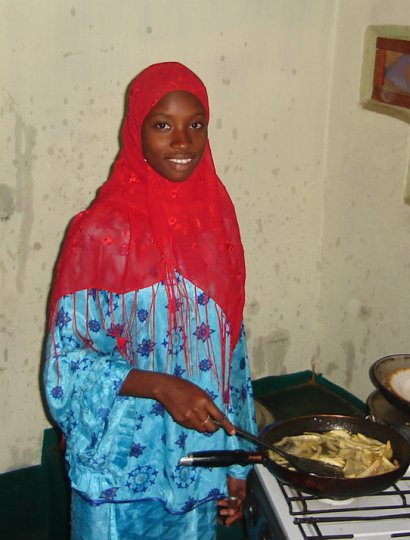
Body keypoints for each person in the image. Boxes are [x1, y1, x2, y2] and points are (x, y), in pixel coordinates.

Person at [43, 62, 256, 539]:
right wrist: (160, 385)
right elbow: (66, 368)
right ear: (136, 129)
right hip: (121, 472)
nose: (182, 142)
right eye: (163, 125)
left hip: (198, 465)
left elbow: (233, 355)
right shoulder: (101, 233)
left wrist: (237, 464)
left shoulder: (216, 223)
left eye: (195, 125)